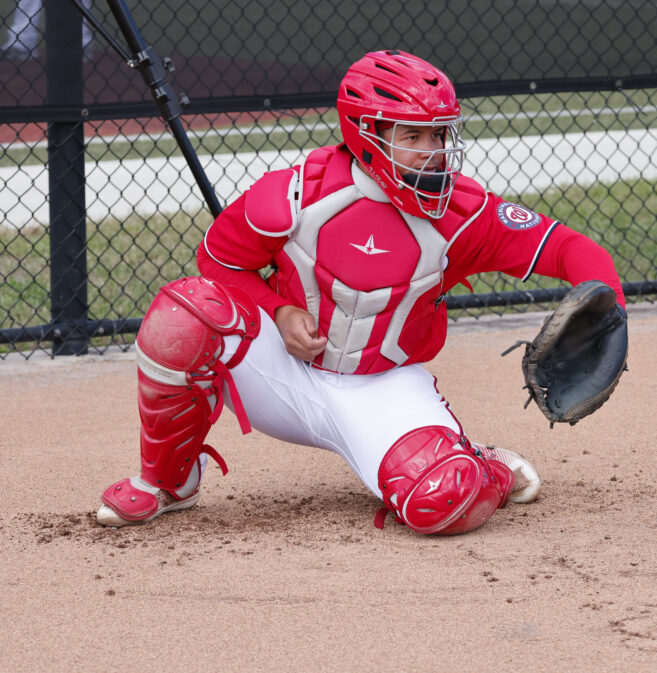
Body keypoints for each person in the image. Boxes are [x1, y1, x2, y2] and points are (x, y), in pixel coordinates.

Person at [95, 50, 626, 536]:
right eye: (411, 137)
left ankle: (477, 464)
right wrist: (278, 311)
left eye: (440, 136)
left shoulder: (463, 213)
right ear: (366, 133)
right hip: (282, 373)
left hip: (381, 389)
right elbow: (218, 263)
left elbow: (571, 250)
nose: (433, 152)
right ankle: (169, 482)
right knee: (184, 315)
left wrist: (612, 312)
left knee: (444, 503)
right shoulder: (295, 193)